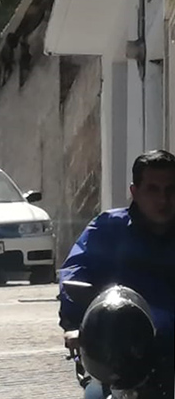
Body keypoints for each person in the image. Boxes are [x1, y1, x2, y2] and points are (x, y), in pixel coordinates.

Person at [58, 150, 175, 399]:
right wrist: (77, 324)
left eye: (170, 190)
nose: (163, 199)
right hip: (121, 355)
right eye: (153, 190)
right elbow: (75, 272)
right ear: (135, 191)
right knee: (96, 394)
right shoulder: (107, 228)